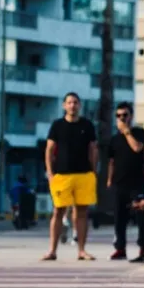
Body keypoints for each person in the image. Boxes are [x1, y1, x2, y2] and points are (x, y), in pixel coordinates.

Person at [43, 92, 98, 261]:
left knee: (82, 212)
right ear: (64, 106)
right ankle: (52, 251)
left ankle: (81, 250)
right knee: (58, 211)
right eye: (69, 102)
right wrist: (50, 172)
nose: (72, 105)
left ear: (79, 105)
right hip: (62, 175)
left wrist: (93, 171)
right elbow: (49, 150)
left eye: (75, 102)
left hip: (84, 174)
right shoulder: (57, 125)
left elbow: (93, 149)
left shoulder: (87, 125)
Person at [106, 102, 144, 261]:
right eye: (118, 116)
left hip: (136, 181)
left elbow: (137, 148)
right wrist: (109, 179)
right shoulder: (114, 139)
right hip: (119, 182)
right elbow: (111, 161)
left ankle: (143, 248)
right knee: (119, 217)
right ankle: (120, 248)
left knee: (140, 216)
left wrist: (127, 132)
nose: (122, 118)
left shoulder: (139, 132)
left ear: (131, 116)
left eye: (125, 115)